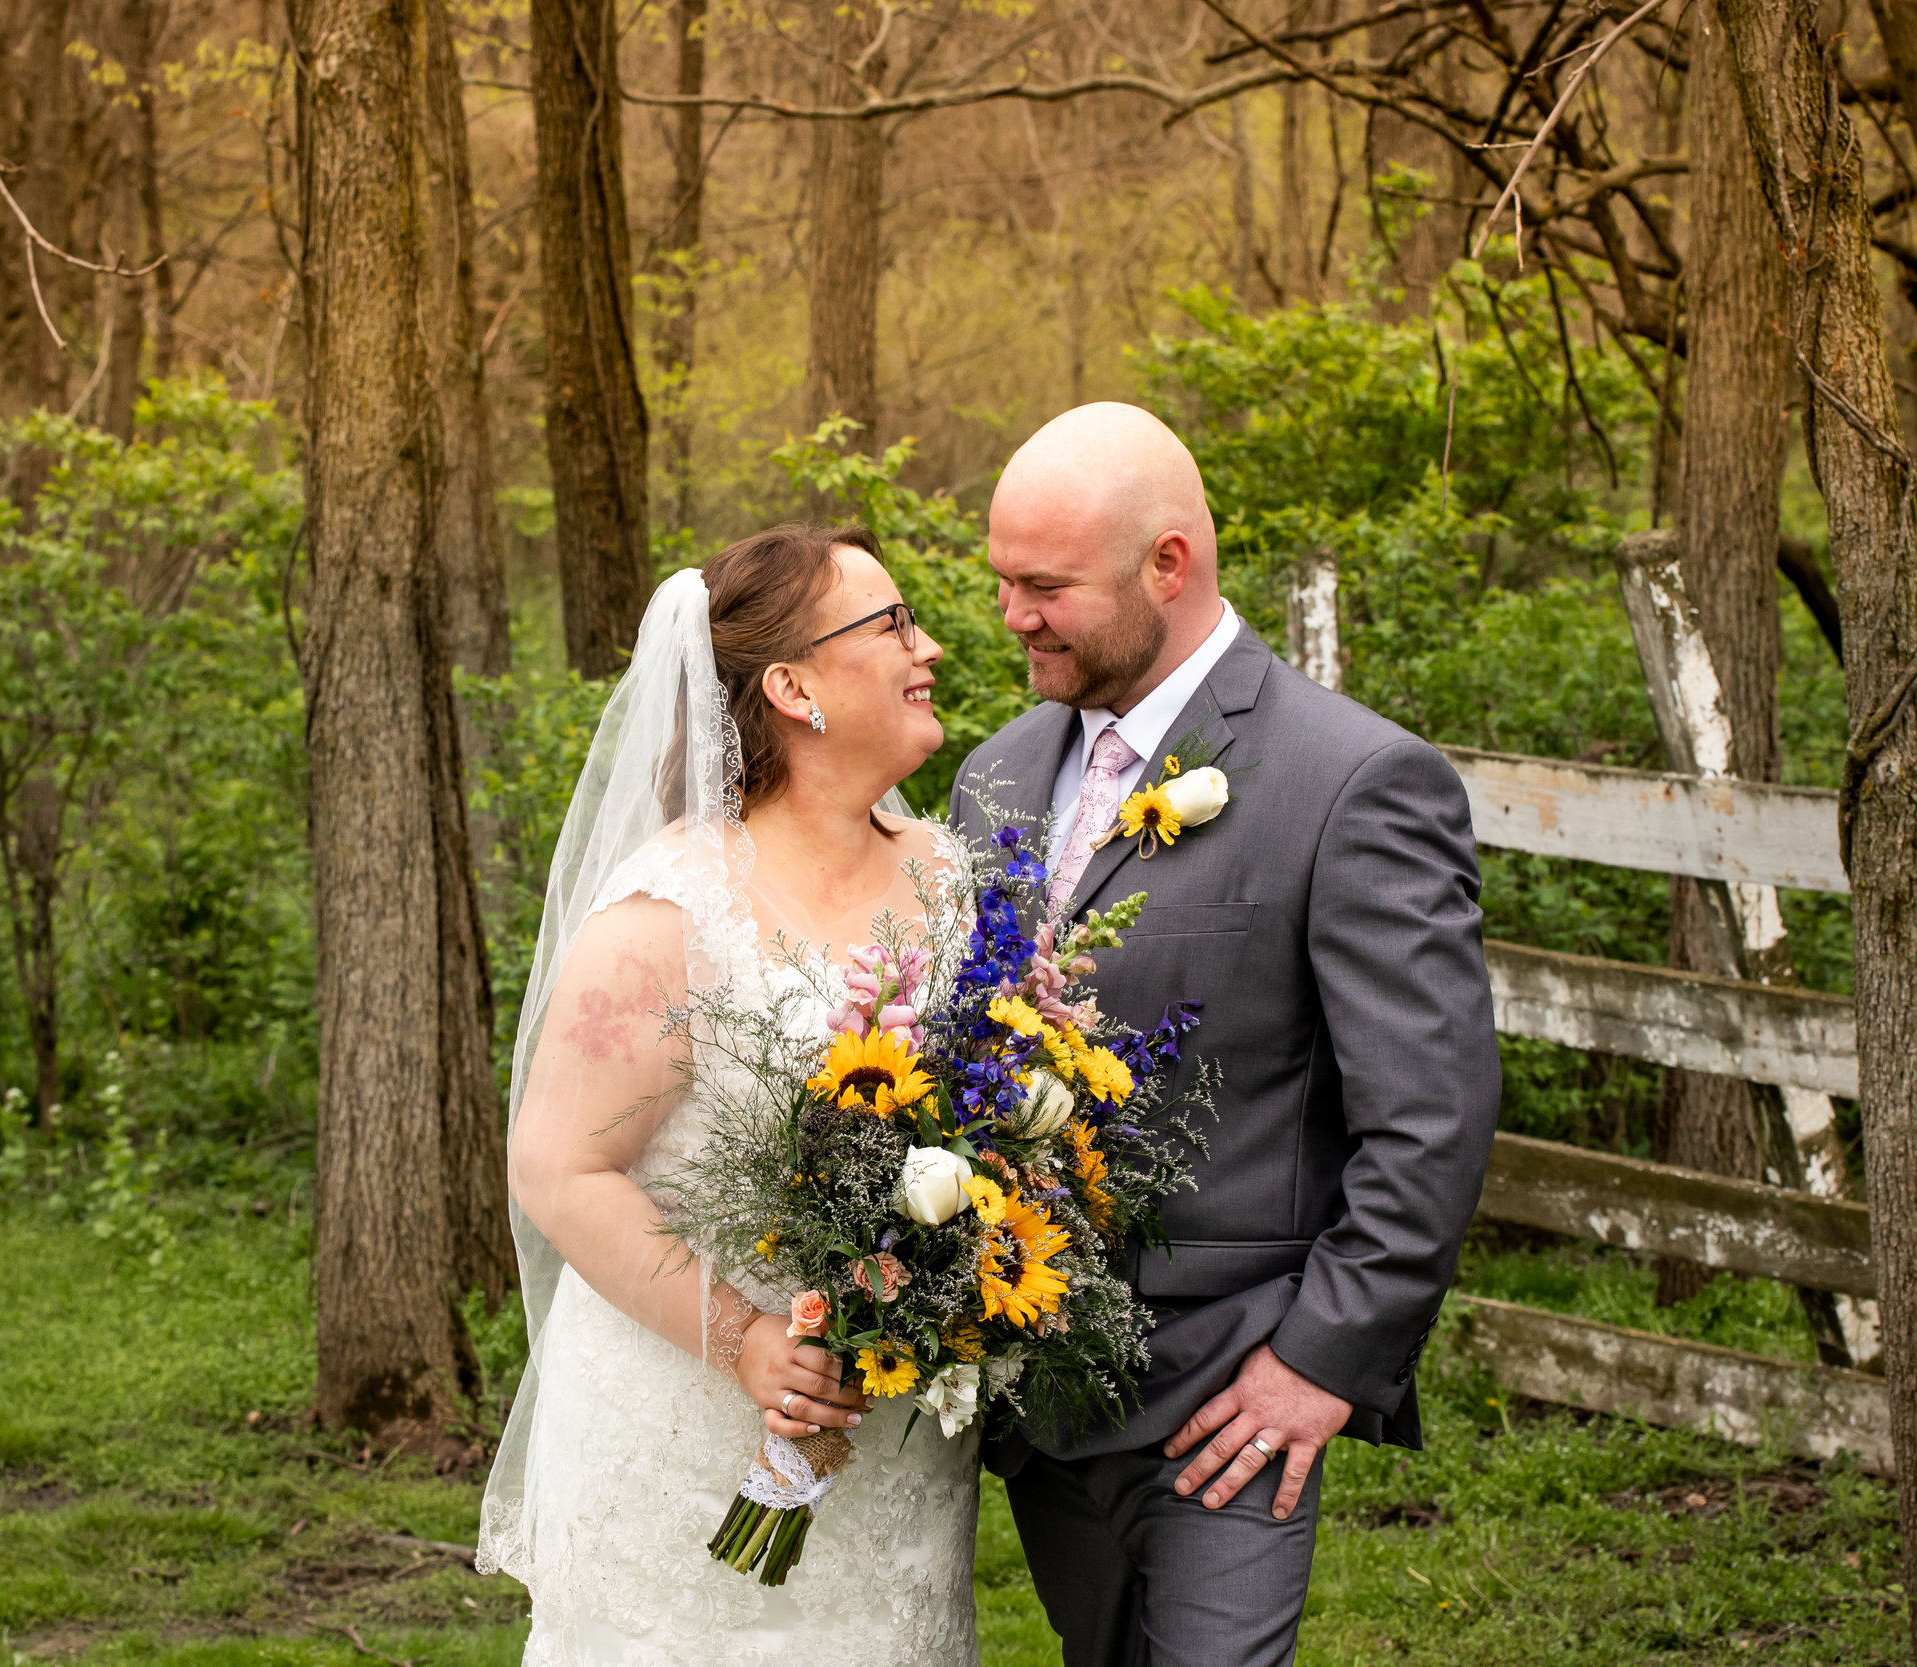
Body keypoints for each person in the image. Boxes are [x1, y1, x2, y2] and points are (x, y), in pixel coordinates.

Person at [952, 402, 1500, 1667]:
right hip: (1038, 1384)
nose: (1013, 614)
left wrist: (1325, 1355)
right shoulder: (992, 776)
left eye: (1045, 585)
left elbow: (1430, 1110)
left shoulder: (1353, 780)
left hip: (1236, 1383)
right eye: (1000, 582)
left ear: (1168, 565)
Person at [478, 524, 981, 1664]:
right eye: (893, 623)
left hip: (892, 1453)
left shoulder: (946, 875)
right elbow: (559, 1167)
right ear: (793, 685)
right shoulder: (669, 913)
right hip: (693, 1437)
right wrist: (747, 1338)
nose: (931, 645)